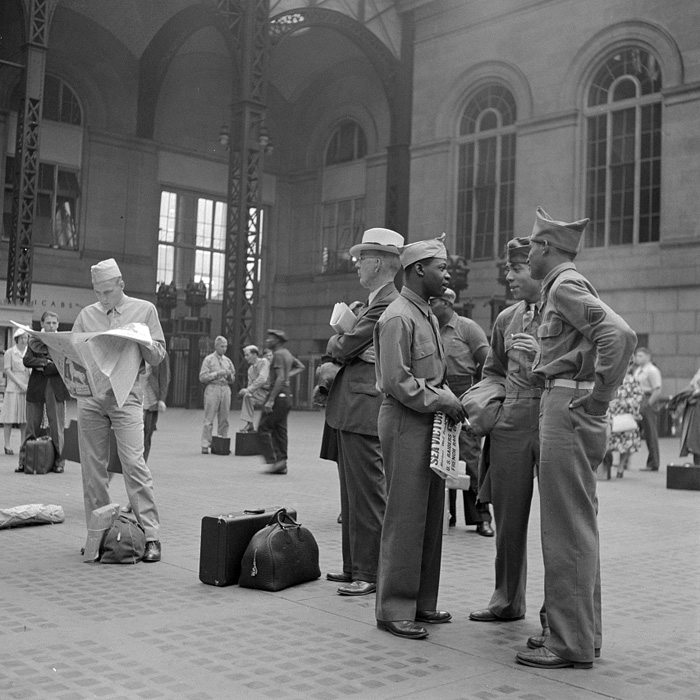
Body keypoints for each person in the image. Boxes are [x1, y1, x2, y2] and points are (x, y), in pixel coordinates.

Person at [515, 207, 636, 670]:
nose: (527, 253)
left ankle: (569, 643)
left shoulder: (564, 285)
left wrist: (601, 396)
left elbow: (619, 335)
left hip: (568, 408)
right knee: (576, 525)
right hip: (566, 404)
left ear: (546, 247)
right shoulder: (561, 286)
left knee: (566, 530)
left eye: (531, 246)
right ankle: (582, 634)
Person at [374, 235, 467, 640]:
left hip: (427, 420)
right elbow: (397, 382)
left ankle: (421, 602)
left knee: (430, 516)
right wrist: (442, 399)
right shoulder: (398, 317)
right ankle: (394, 609)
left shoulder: (424, 313)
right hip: (405, 421)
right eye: (441, 268)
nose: (447, 275)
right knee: (405, 517)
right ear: (418, 270)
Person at [467, 236, 545, 623]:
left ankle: (557, 617)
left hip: (552, 415)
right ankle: (507, 601)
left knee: (559, 522)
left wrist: (541, 356)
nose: (509, 277)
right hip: (512, 419)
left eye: (516, 269)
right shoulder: (506, 319)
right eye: (508, 269)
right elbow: (493, 371)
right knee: (509, 517)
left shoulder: (565, 311)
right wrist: (493, 407)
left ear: (538, 268)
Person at [324, 227, 403, 597]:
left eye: (363, 257)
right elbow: (350, 346)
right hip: (352, 409)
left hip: (364, 409)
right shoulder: (373, 303)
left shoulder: (386, 304)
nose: (356, 263)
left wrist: (342, 341)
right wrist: (349, 343)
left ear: (381, 263)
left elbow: (343, 346)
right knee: (351, 495)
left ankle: (369, 572)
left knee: (368, 495)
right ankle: (353, 566)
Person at [72, 258, 167, 563]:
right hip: (91, 400)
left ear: (121, 285)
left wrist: (142, 341)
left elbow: (158, 356)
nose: (102, 299)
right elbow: (75, 354)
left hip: (127, 398)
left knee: (134, 464)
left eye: (108, 292)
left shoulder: (144, 310)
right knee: (92, 470)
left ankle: (151, 536)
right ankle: (98, 536)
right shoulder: (87, 315)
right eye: (97, 292)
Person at [430, 287, 492, 536]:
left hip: (465, 393)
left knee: (469, 455)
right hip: (438, 393)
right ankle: (446, 514)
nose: (429, 304)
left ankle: (481, 517)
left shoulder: (468, 328)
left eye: (433, 301)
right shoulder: (428, 327)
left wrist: (479, 395)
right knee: (440, 454)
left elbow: (488, 362)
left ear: (446, 303)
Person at [17, 312, 70, 473]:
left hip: (56, 387)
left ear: (58, 324)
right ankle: (24, 461)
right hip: (37, 387)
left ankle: (59, 462)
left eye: (54, 323)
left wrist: (42, 366)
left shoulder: (62, 341)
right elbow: (27, 360)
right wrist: (46, 362)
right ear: (42, 324)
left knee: (57, 427)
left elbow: (64, 364)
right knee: (31, 425)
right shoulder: (34, 340)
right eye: (48, 323)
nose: (51, 326)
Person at [257, 329, 304, 474]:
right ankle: (282, 462)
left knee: (263, 428)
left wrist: (271, 400)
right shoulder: (287, 353)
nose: (267, 340)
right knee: (280, 429)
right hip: (286, 395)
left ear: (277, 341)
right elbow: (300, 366)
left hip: (278, 395)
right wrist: (287, 376)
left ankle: (274, 461)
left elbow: (280, 378)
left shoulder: (278, 354)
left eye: (270, 338)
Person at [605, 361, 644, 478]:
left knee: (626, 443)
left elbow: (638, 396)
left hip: (626, 414)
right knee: (608, 441)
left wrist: (627, 402)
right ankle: (607, 466)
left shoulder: (633, 380)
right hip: (612, 413)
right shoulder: (611, 377)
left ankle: (621, 467)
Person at [199, 336, 235, 454]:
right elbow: (202, 377)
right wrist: (216, 374)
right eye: (222, 346)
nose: (224, 349)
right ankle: (205, 444)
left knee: (224, 418)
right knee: (209, 418)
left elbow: (233, 377)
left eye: (226, 346)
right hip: (213, 387)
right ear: (216, 346)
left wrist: (229, 376)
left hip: (225, 388)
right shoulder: (208, 360)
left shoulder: (228, 361)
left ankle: (222, 442)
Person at [633, 347, 663, 472]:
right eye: (637, 355)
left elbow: (657, 390)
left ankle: (653, 463)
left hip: (647, 399)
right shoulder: (638, 370)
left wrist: (648, 404)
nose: (637, 358)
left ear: (648, 357)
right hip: (637, 399)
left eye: (640, 356)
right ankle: (624, 460)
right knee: (631, 429)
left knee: (650, 433)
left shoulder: (652, 370)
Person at [2, 328, 30, 458]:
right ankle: (7, 444)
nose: (24, 340)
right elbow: (7, 370)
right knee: (9, 417)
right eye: (21, 338)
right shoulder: (10, 352)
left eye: (26, 338)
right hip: (13, 387)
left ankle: (23, 444)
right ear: (16, 339)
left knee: (24, 419)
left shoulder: (29, 352)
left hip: (27, 387)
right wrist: (20, 384)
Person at [142, 353, 170, 462]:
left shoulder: (160, 352)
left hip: (150, 398)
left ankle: (142, 463)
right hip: (133, 395)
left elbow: (164, 377)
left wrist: (162, 399)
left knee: (146, 432)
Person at [238, 345, 270, 433]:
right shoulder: (250, 370)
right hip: (260, 393)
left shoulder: (264, 362)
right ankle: (249, 424)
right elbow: (250, 385)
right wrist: (246, 391)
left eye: (247, 355)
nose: (245, 358)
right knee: (247, 396)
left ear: (255, 354)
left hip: (270, 394)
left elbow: (262, 379)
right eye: (245, 355)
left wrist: (248, 390)